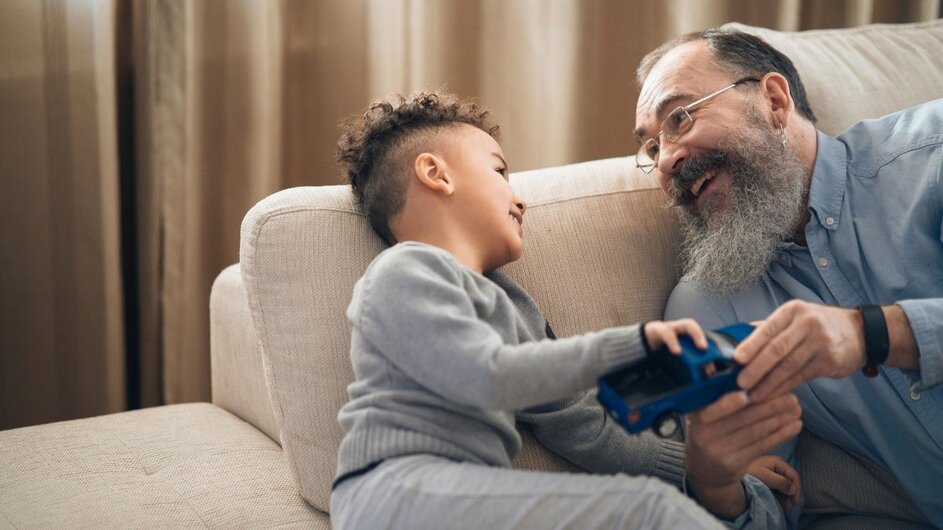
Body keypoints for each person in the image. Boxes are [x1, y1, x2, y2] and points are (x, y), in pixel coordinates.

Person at [329, 91, 800, 529]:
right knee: (652, 511)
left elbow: (585, 425)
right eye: (499, 172)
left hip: (472, 497)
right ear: (436, 174)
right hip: (393, 493)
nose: (520, 197)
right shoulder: (405, 271)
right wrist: (630, 346)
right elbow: (489, 376)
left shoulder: (513, 306)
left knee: (652, 506)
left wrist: (703, 468)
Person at [633, 28, 943, 527]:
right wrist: (715, 487)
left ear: (774, 101)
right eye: (651, 149)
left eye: (681, 118)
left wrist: (872, 333)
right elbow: (772, 504)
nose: (666, 161)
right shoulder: (709, 307)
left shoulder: (931, 154)